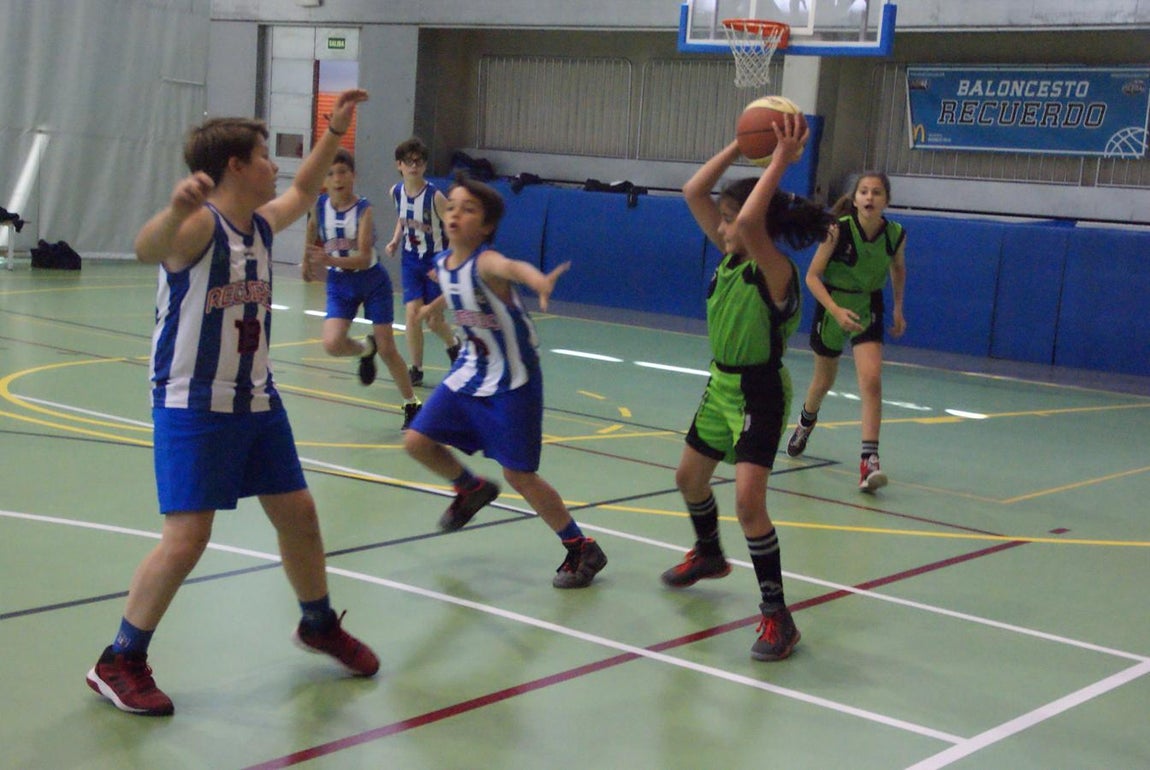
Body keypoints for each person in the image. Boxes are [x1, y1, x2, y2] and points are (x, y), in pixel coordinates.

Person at [85, 89, 380, 717]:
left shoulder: (262, 223)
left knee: (298, 513)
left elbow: (303, 189)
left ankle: (318, 623)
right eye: (264, 155)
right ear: (237, 168)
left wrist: (335, 131)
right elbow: (148, 248)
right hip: (192, 402)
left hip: (255, 397)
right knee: (187, 537)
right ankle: (119, 660)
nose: (274, 164)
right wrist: (171, 209)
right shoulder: (196, 226)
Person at [661, 116, 834, 661]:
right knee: (689, 478)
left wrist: (779, 158)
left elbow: (755, 219)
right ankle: (709, 553)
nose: (725, 226)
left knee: (748, 502)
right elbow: (694, 190)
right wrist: (742, 142)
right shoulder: (730, 257)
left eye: (732, 220)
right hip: (721, 386)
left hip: (760, 391)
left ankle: (777, 616)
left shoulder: (774, 270)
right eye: (727, 220)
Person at [402, 173, 607, 589]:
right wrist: (433, 308)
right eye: (453, 206)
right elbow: (454, 284)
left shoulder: (488, 261)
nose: (456, 213)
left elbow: (512, 268)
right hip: (470, 369)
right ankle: (471, 488)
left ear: (487, 227)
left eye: (469, 209)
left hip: (513, 379)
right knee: (416, 440)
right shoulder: (443, 264)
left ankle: (580, 546)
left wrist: (539, 281)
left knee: (519, 475)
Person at [784, 171, 907, 492]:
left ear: (886, 201)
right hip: (833, 305)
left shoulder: (895, 234)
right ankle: (804, 425)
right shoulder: (838, 231)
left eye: (877, 192)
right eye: (864, 192)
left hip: (869, 306)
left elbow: (898, 269)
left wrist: (897, 307)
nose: (869, 197)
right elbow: (812, 276)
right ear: (855, 200)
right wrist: (835, 311)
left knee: (872, 381)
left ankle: (869, 462)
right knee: (823, 382)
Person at [302, 148, 422, 430]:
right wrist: (304, 260)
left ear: (353, 176)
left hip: (371, 281)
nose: (337, 178)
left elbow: (365, 256)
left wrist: (327, 258)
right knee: (332, 344)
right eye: (330, 174)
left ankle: (412, 403)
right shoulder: (319, 206)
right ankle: (364, 349)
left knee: (388, 347)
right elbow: (311, 228)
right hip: (340, 283)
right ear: (325, 179)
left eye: (343, 172)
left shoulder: (363, 209)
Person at [385, 136, 460, 387]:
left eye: (418, 162)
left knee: (434, 319)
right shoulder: (396, 192)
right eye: (408, 162)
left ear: (424, 166)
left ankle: (454, 345)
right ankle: (416, 368)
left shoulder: (435, 197)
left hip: (434, 260)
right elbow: (402, 218)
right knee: (412, 313)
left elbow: (454, 230)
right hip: (410, 259)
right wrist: (396, 240)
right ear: (399, 165)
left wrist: (447, 263)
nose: (413, 166)